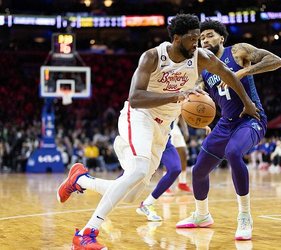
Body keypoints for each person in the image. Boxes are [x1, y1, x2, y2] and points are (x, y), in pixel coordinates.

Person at [57, 14, 260, 249]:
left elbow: (228, 75)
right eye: (192, 38)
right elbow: (135, 97)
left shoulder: (201, 57)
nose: (197, 43)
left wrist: (247, 103)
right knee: (139, 170)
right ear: (176, 39)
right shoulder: (152, 57)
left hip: (164, 126)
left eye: (198, 37)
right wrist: (176, 96)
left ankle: (80, 179)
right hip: (139, 116)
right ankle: (87, 233)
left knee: (133, 193)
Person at [176, 20, 281, 241]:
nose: (205, 40)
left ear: (221, 38)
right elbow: (204, 100)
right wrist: (200, 108)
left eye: (210, 35)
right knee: (198, 171)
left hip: (251, 118)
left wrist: (245, 72)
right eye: (202, 37)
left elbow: (276, 61)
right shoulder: (204, 68)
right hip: (225, 123)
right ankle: (202, 215)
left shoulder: (238, 51)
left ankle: (244, 216)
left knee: (234, 153)